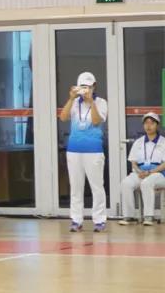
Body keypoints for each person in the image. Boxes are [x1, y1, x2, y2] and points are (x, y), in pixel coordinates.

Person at [60, 71, 108, 232]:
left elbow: (96, 120)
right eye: (82, 86)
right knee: (76, 187)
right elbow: (63, 117)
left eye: (88, 86)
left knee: (97, 187)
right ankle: (76, 220)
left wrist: (91, 102)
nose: (85, 90)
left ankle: (99, 220)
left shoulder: (101, 102)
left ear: (94, 86)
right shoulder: (74, 102)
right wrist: (71, 98)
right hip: (74, 150)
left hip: (93, 151)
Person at [119, 113, 165, 226]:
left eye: (152, 123)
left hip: (158, 173)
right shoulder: (138, 142)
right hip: (140, 172)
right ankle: (129, 216)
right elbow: (133, 162)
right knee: (126, 183)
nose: (148, 126)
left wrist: (150, 172)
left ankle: (148, 216)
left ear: (157, 125)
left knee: (147, 183)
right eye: (146, 123)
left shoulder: (163, 142)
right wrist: (139, 171)